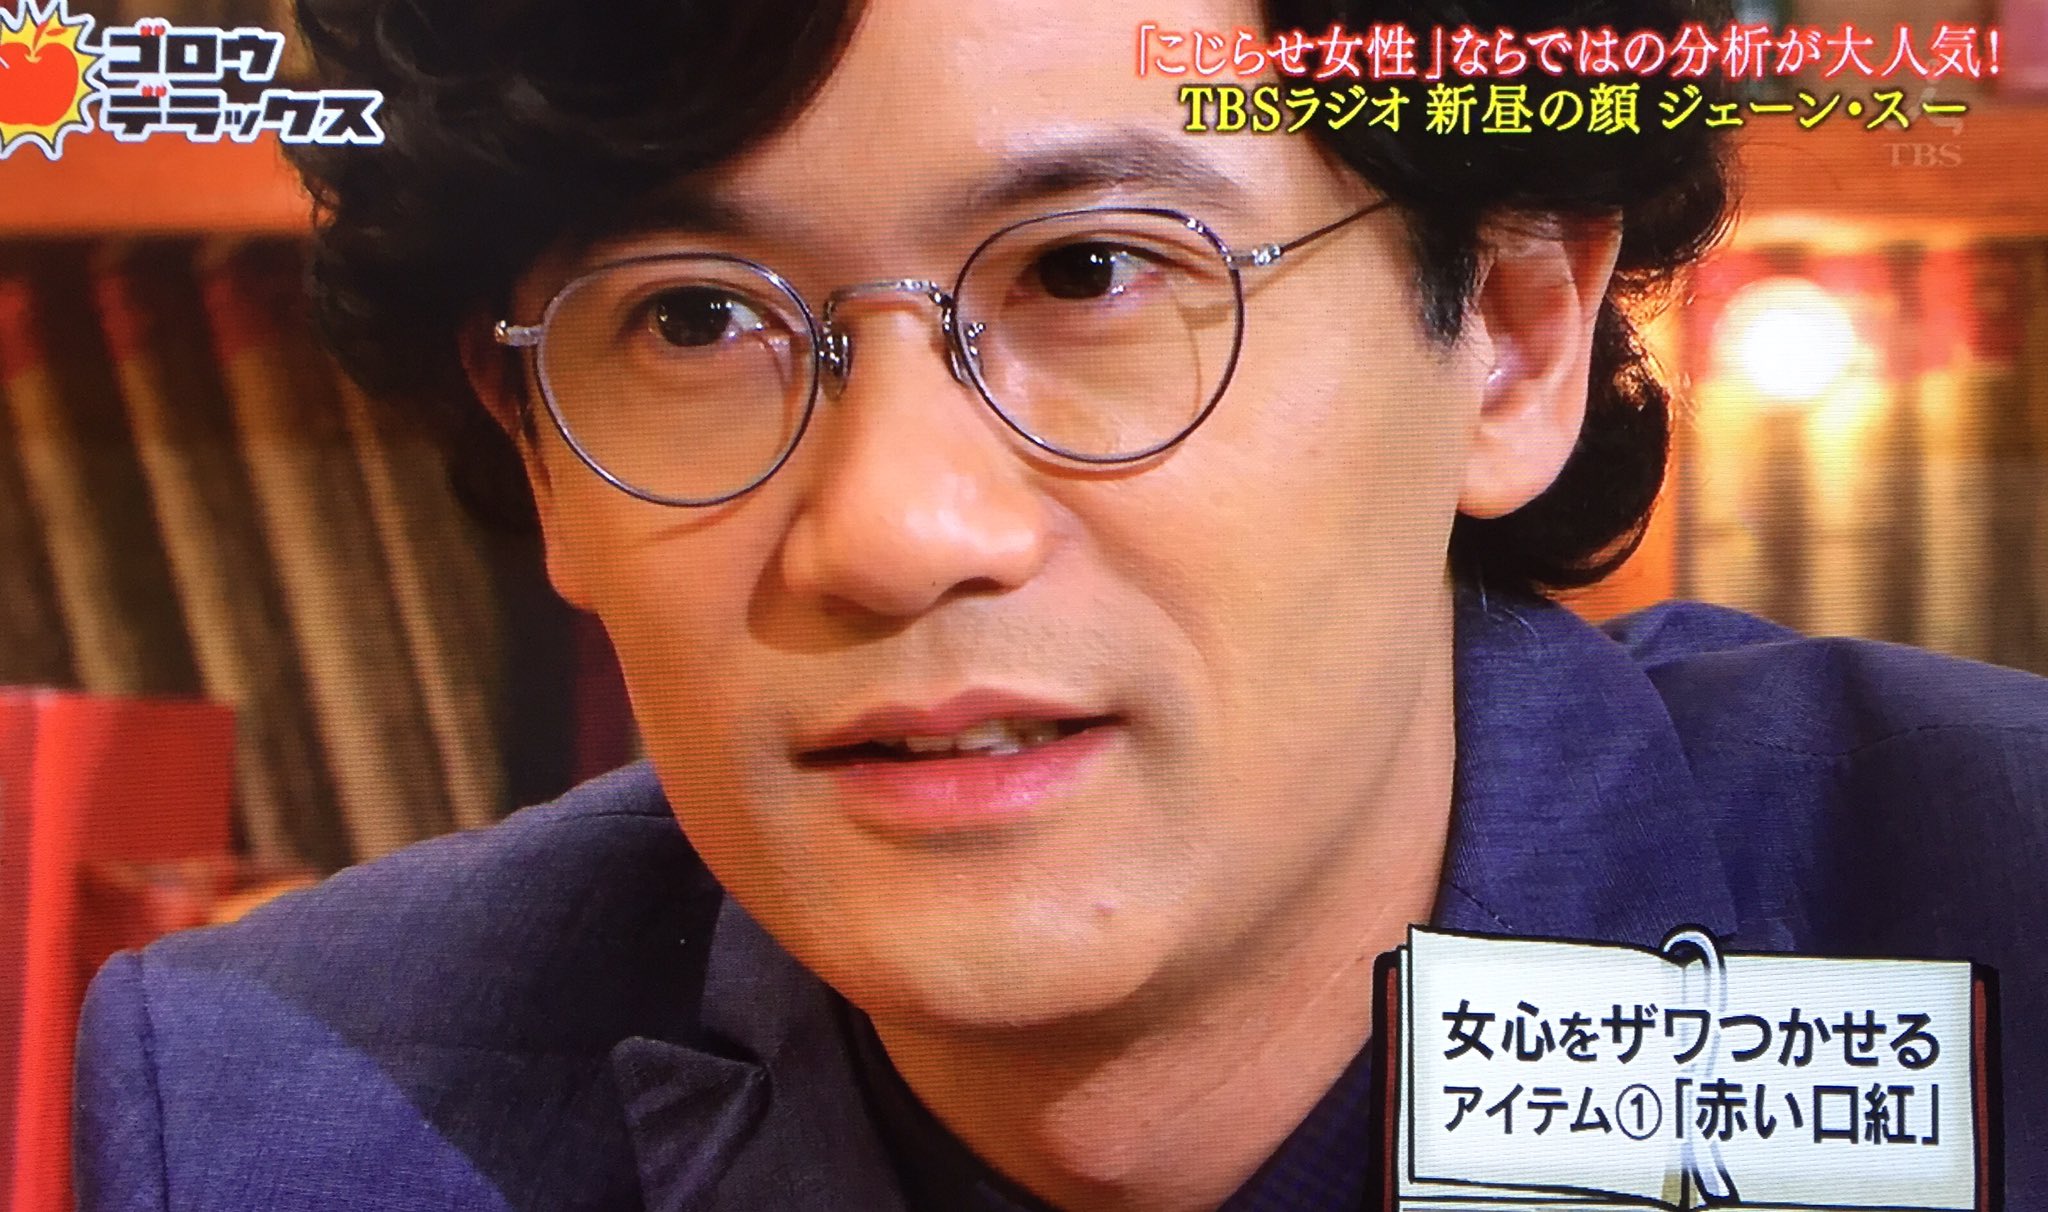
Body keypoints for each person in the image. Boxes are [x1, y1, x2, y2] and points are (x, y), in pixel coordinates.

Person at [72, 0, 2048, 1208]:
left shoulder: (1996, 918)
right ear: (534, 457)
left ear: (1514, 337)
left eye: (1090, 272)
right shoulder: (286, 1108)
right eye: (689, 321)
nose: (890, 529)